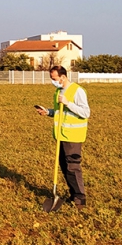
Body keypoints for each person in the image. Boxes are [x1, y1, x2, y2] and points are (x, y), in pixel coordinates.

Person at [36, 65, 90, 209]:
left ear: (63, 77)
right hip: (61, 136)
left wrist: (68, 103)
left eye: (54, 79)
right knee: (65, 166)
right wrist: (48, 112)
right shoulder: (58, 91)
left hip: (73, 136)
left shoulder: (77, 91)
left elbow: (85, 112)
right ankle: (73, 195)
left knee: (73, 167)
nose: (53, 81)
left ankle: (80, 199)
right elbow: (61, 113)